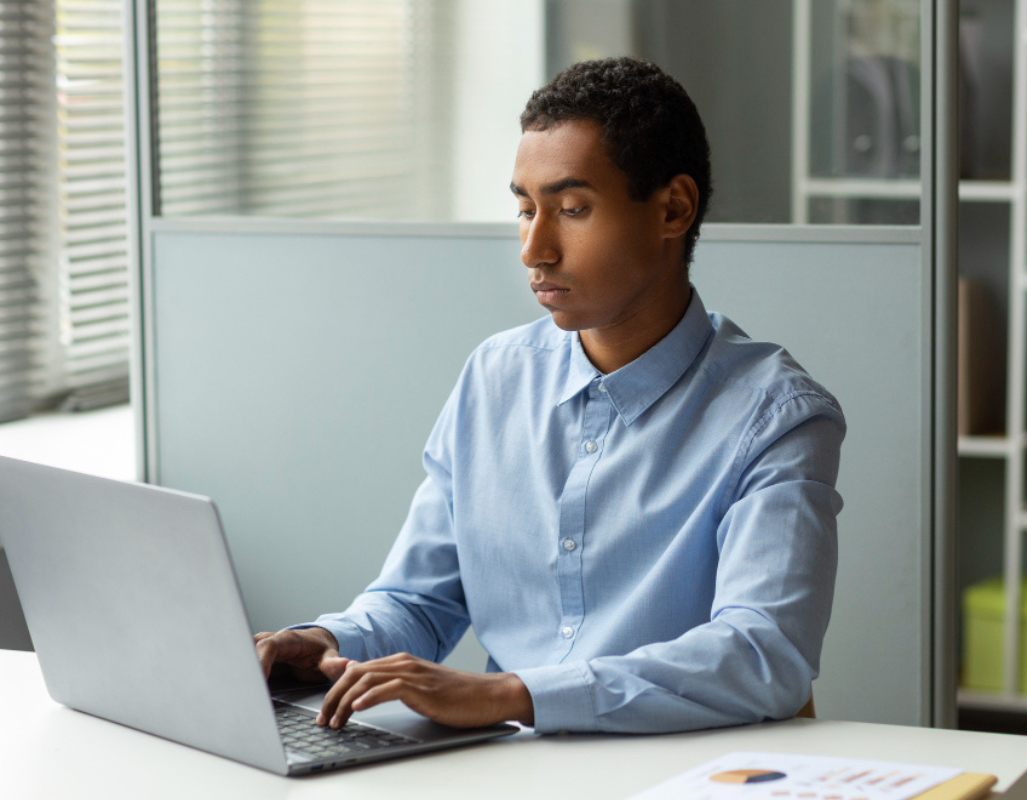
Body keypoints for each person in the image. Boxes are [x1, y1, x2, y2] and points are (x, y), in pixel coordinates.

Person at [254, 57, 845, 735]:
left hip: (674, 768)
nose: (535, 249)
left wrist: (515, 695)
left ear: (673, 209)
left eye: (571, 209)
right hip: (508, 769)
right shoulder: (495, 378)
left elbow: (763, 655)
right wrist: (329, 642)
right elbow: (419, 601)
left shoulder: (775, 415)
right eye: (525, 209)